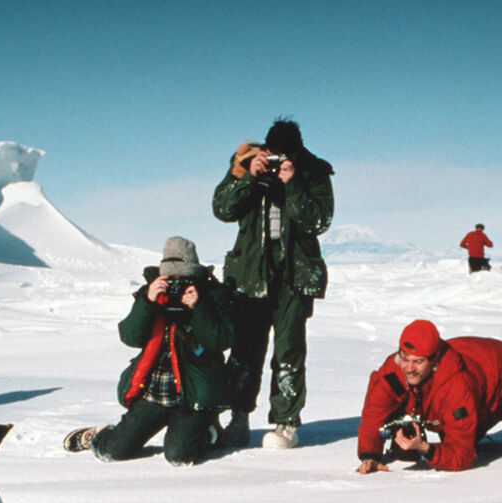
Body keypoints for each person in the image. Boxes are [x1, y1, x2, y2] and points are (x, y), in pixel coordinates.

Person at [212, 118, 334, 450]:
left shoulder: (314, 171)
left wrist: (293, 184)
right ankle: (238, 417)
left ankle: (286, 423)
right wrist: (249, 178)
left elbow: (319, 220)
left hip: (295, 277)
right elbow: (222, 208)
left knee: (289, 351)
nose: (278, 160)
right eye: (273, 153)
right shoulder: (250, 163)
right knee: (245, 350)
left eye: (284, 155)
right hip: (252, 275)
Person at [62, 237, 233, 467]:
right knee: (114, 451)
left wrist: (198, 308)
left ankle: (206, 429)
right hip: (156, 392)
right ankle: (99, 435)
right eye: (170, 279)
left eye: (182, 279)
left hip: (192, 395)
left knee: (179, 456)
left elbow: (221, 341)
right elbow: (130, 337)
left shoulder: (213, 295)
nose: (176, 285)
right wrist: (148, 302)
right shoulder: (151, 293)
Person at [355, 320, 502, 474]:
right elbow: (374, 413)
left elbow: (462, 455)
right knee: (444, 437)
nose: (409, 368)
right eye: (405, 358)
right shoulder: (393, 370)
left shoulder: (454, 385)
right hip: (471, 384)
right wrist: (370, 454)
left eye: (418, 361)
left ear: (434, 360)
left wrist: (425, 449)